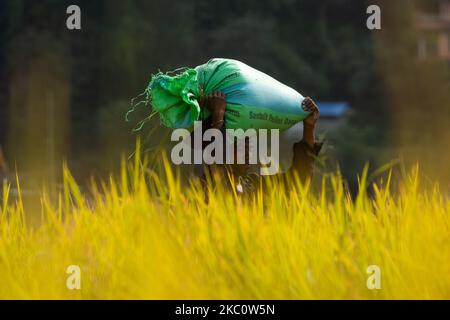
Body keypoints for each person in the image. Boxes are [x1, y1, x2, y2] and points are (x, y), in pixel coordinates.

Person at [193, 91, 322, 194]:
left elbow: (298, 182)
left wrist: (309, 127)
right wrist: (217, 116)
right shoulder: (206, 186)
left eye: (248, 142)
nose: (248, 150)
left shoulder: (253, 185)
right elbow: (218, 172)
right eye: (239, 144)